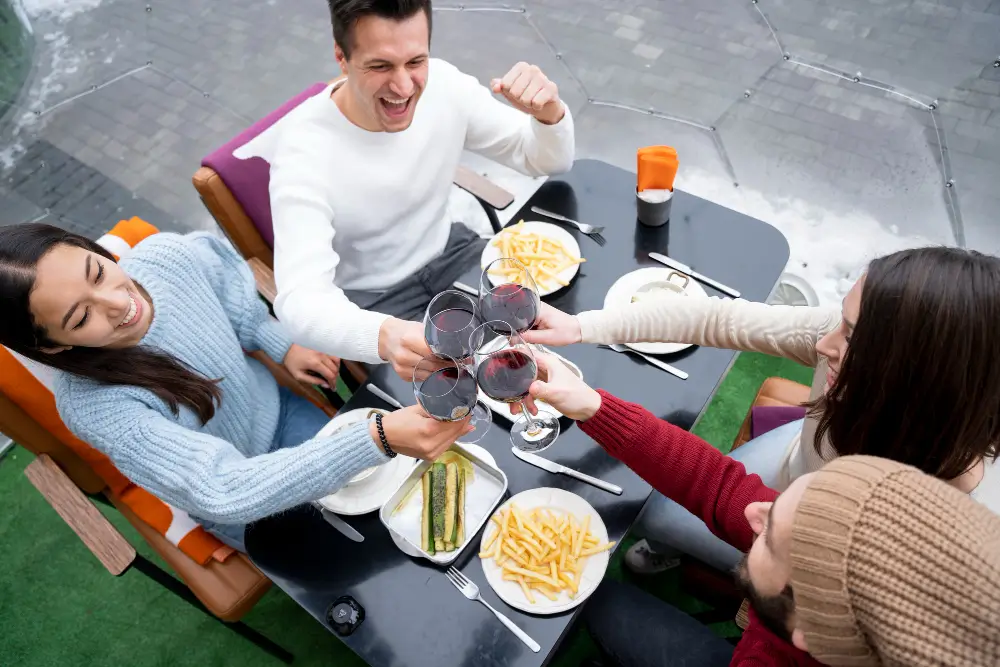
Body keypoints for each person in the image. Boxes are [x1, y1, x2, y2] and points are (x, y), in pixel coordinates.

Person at [522, 247, 1000, 574]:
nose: (823, 344)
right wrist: (581, 326)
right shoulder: (848, 344)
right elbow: (720, 318)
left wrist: (594, 408)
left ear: (920, 377)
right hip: (795, 462)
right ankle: (672, 548)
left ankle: (674, 550)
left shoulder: (916, 521)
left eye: (851, 337)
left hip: (805, 539)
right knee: (662, 508)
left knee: (653, 514)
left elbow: (725, 496)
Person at [0, 224, 471, 552]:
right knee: (357, 558)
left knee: (405, 505)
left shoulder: (169, 257)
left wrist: (280, 344)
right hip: (237, 502)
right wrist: (379, 437)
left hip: (281, 415)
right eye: (80, 317)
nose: (119, 303)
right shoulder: (95, 407)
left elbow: (231, 293)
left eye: (97, 271)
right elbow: (221, 489)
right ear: (55, 348)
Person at [529, 356, 1000, 666]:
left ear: (812, 628)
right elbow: (717, 483)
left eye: (771, 539)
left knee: (596, 601)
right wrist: (591, 405)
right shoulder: (837, 558)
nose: (757, 515)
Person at [235, 0, 575, 380]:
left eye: (416, 62)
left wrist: (549, 115)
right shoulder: (303, 154)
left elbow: (545, 159)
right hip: (379, 304)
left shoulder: (445, 85)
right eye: (380, 66)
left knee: (558, 342)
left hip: (454, 252)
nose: (402, 86)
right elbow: (300, 300)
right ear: (341, 58)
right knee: (469, 401)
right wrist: (384, 335)